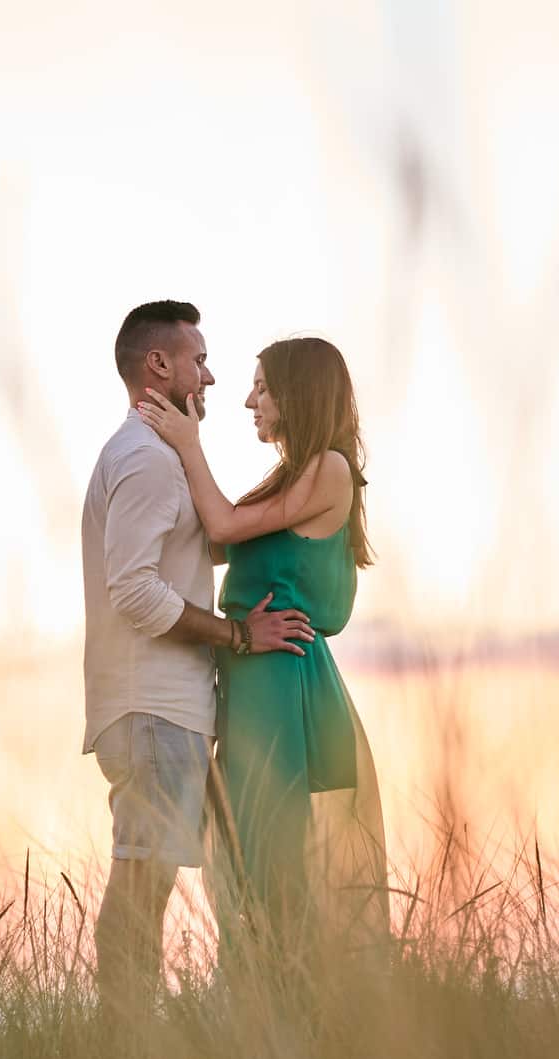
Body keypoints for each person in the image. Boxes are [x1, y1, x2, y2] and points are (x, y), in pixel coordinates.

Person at [81, 300, 315, 1020]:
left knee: (147, 881)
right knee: (142, 884)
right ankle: (122, 1038)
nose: (211, 376)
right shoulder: (147, 459)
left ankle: (130, 1032)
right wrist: (240, 635)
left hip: (160, 706)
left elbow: (191, 549)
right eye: (200, 360)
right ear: (160, 364)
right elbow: (136, 593)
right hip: (151, 708)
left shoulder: (154, 457)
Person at [137, 336, 388, 964]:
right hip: (251, 676)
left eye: (263, 387)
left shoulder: (329, 468)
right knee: (249, 855)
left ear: (297, 394)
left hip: (280, 679)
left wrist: (188, 444)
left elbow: (221, 527)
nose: (249, 400)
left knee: (273, 856)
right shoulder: (291, 475)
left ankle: (297, 1011)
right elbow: (214, 543)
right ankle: (265, 1009)